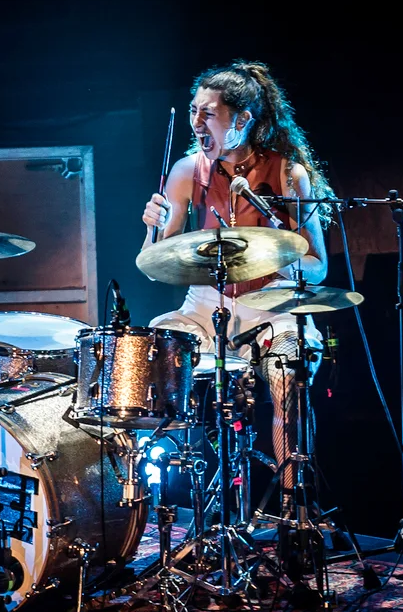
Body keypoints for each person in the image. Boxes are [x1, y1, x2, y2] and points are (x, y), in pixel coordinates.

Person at [140, 59, 337, 517]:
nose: (197, 122)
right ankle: (162, 504)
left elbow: (317, 266)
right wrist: (150, 230)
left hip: (273, 305)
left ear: (242, 118)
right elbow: (154, 265)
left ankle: (294, 507)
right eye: (194, 111)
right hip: (205, 304)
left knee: (287, 377)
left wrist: (274, 255)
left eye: (208, 113)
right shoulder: (188, 170)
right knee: (155, 355)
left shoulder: (289, 175)